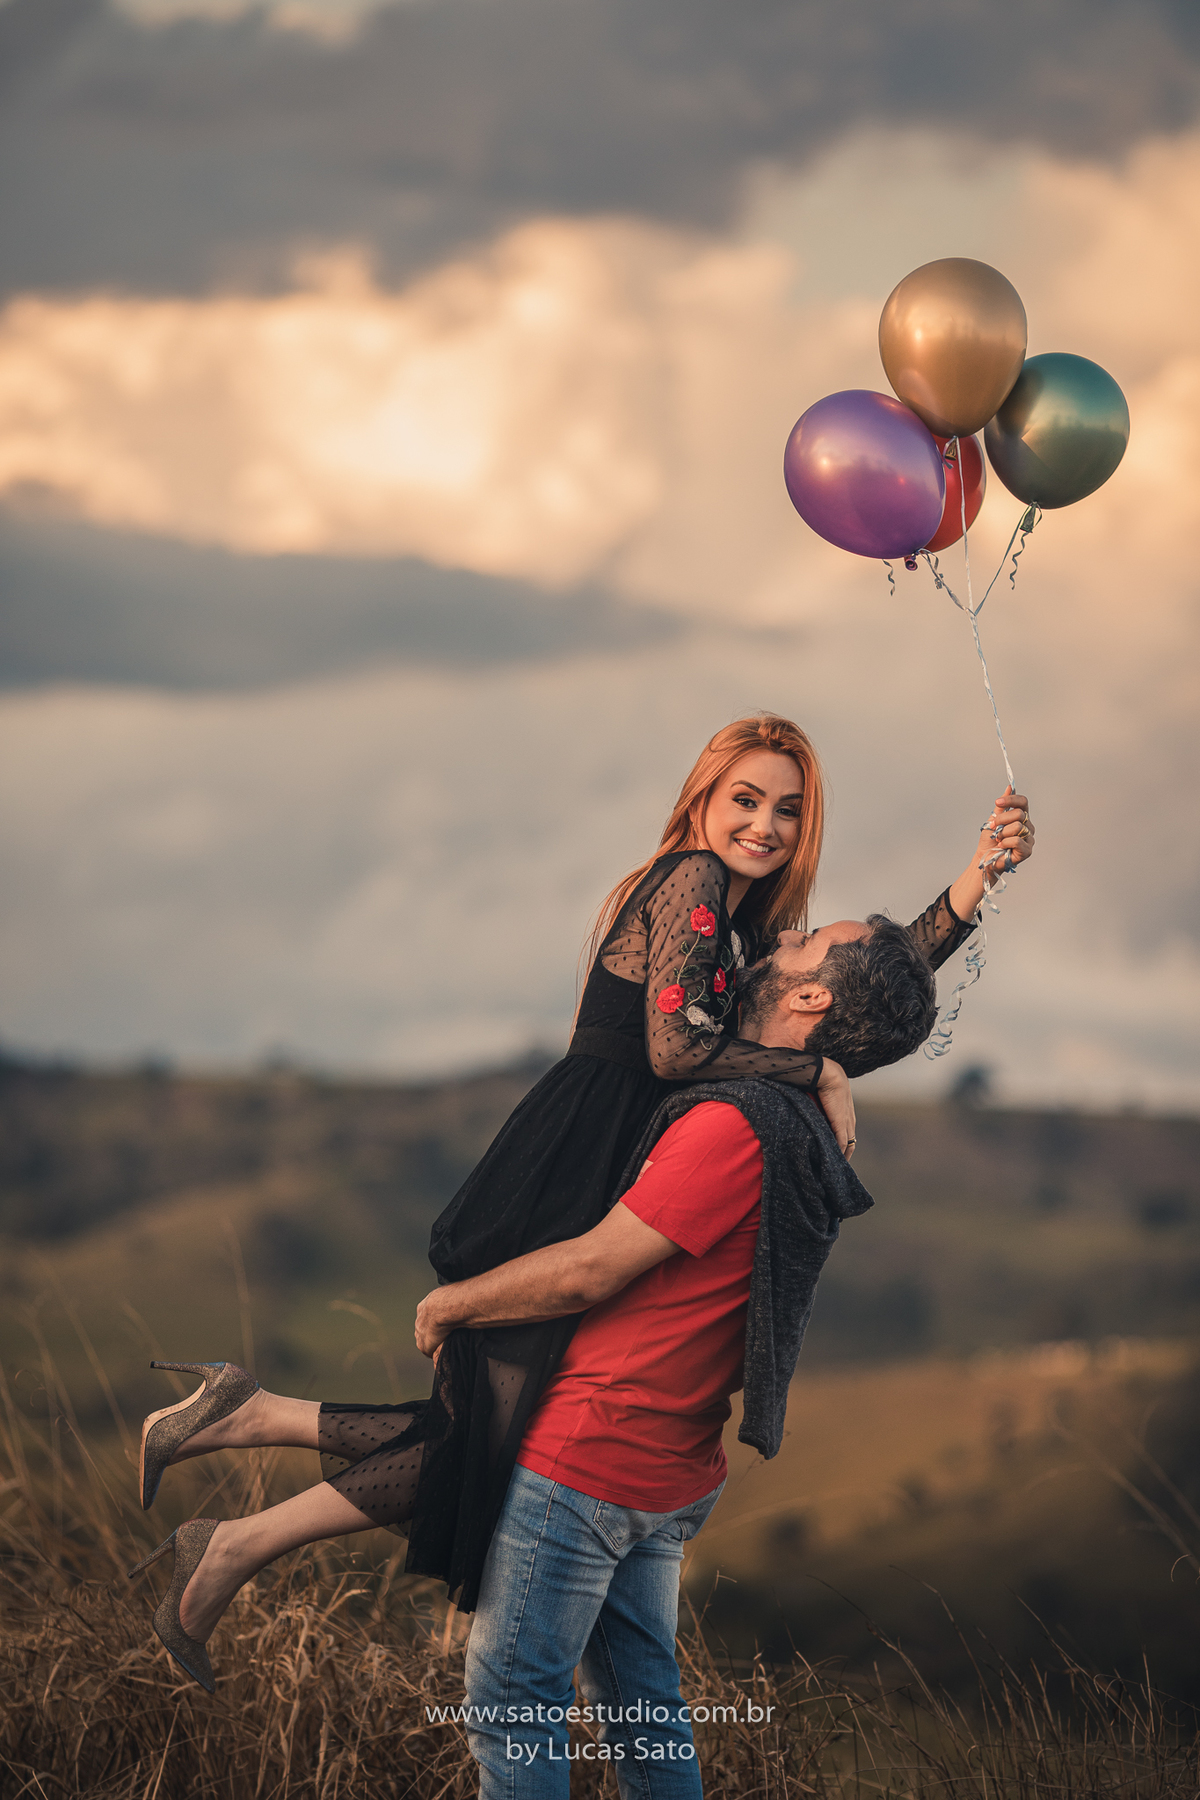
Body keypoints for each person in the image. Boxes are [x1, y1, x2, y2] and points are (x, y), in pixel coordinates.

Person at [129, 714, 1035, 1687]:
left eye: (788, 808)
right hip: (569, 1165)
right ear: (702, 796)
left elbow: (854, 990)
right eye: (745, 798)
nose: (765, 823)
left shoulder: (746, 923)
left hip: (615, 1164)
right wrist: (817, 1074)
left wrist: (971, 888)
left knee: (482, 1424)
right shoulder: (690, 878)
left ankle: (240, 1436)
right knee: (482, 1429)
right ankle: (228, 1532)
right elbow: (675, 1052)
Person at [128, 909, 932, 1759]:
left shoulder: (737, 1125)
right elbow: (881, 985)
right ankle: (244, 1441)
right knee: (641, 1714)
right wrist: (967, 892)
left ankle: (239, 1464)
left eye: (805, 945)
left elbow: (592, 1268)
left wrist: (455, 1304)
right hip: (669, 1466)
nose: (780, 939)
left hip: (592, 1458)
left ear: (809, 994)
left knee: (515, 1710)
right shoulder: (803, 1118)